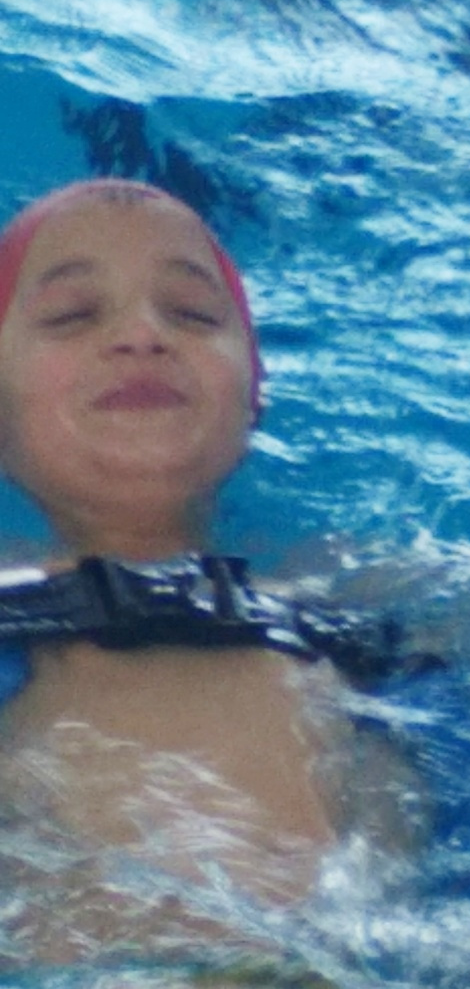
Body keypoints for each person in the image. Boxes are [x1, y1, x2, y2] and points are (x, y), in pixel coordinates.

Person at [0, 178, 366, 926]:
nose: (142, 334)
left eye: (193, 314)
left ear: (254, 394)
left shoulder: (358, 592)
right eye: (72, 316)